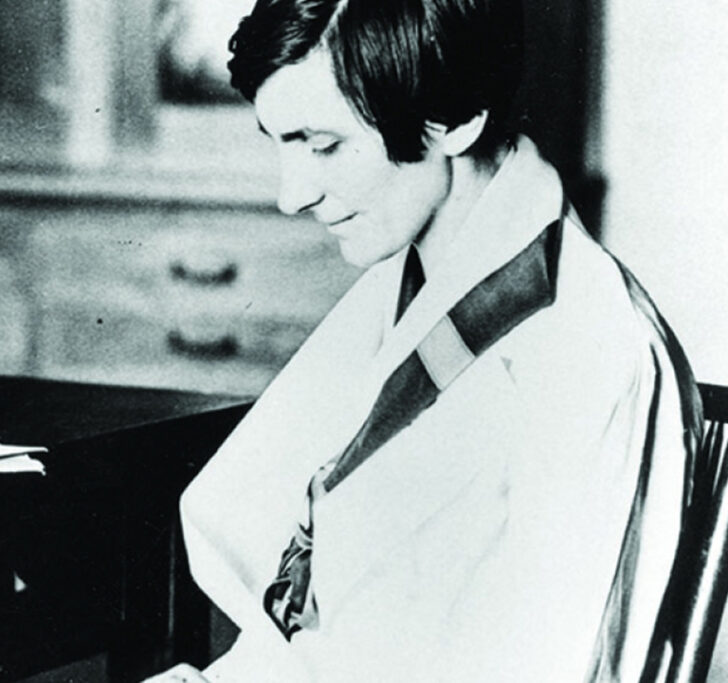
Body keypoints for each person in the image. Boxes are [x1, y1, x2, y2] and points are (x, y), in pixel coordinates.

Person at [145, 0, 702, 680]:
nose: (291, 195)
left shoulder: (587, 348)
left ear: (457, 120)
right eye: (279, 142)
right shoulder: (419, 277)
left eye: (323, 146)